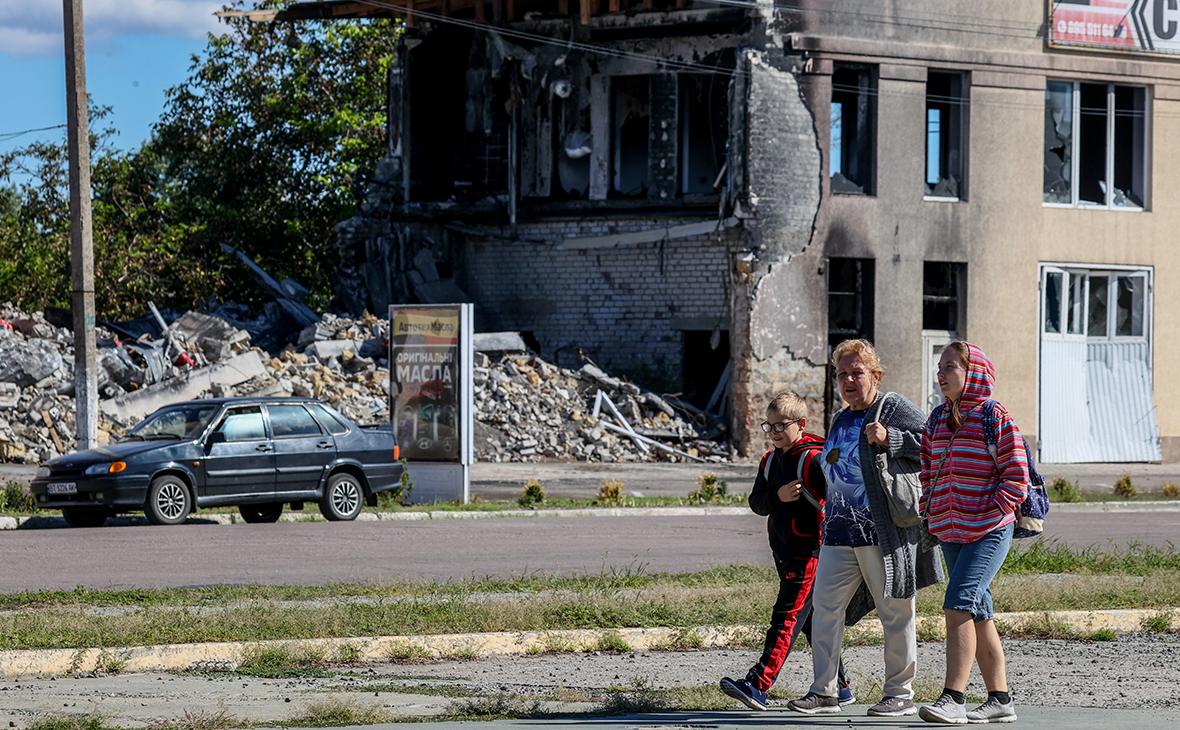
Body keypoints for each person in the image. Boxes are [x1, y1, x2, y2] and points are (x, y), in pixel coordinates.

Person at [788, 339, 943, 717]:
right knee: (824, 610)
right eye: (842, 373)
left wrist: (893, 439)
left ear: (875, 374)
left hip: (882, 533)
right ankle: (825, 692)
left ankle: (899, 693)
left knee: (895, 612)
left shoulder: (893, 407)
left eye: (857, 372)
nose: (848, 380)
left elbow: (934, 444)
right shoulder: (841, 417)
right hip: (838, 533)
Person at [719, 392, 854, 711]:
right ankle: (842, 687)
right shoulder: (768, 461)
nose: (776, 431)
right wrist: (778, 496)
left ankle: (758, 684)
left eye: (782, 425)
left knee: (786, 618)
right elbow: (757, 502)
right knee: (810, 621)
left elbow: (838, 499)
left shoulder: (815, 457)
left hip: (811, 552)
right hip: (782, 551)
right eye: (770, 425)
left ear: (802, 424)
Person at [917, 341, 1028, 724]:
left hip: (989, 531)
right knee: (979, 613)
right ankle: (1001, 700)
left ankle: (954, 699)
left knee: (958, 604)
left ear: (974, 373)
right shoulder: (936, 419)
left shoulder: (994, 417)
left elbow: (1017, 476)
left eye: (950, 366)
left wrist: (992, 512)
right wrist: (928, 511)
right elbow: (927, 470)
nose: (941, 373)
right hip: (950, 531)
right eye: (940, 366)